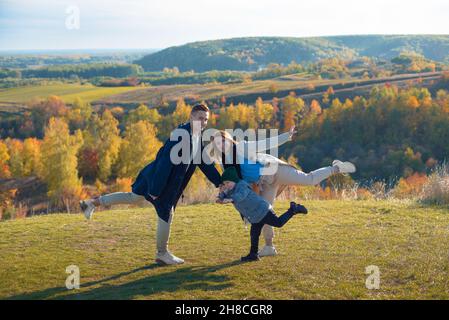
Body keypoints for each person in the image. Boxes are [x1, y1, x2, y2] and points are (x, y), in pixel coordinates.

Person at [80, 104, 222, 265]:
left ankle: (90, 203)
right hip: (160, 181)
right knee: (166, 214)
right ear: (191, 117)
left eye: (206, 120)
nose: (203, 122)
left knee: (133, 198)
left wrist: (220, 182)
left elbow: (205, 163)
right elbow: (165, 163)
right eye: (200, 118)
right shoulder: (181, 135)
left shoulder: (196, 137)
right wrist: (156, 189)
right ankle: (162, 253)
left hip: (154, 177)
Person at [208, 128, 356, 257]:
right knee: (263, 211)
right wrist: (224, 195)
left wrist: (286, 136)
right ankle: (269, 247)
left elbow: (265, 144)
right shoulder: (224, 162)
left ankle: (335, 168)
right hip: (263, 184)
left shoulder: (241, 148)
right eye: (217, 144)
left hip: (275, 171)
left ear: (228, 139)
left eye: (223, 141)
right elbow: (231, 182)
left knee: (309, 180)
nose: (221, 145)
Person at [218, 167, 308, 262]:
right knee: (254, 234)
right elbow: (226, 194)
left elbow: (241, 196)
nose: (226, 185)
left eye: (228, 183)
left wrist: (230, 199)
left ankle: (293, 209)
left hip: (263, 210)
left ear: (235, 180)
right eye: (225, 183)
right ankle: (253, 255)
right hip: (255, 216)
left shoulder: (242, 186)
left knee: (278, 223)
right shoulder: (231, 189)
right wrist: (221, 196)